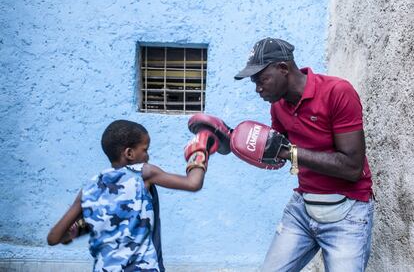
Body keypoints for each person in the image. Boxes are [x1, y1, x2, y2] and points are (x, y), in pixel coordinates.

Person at [234, 38, 374, 272]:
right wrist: (229, 139)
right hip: (303, 207)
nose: (258, 88)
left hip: (348, 211)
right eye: (254, 82)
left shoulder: (337, 92)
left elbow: (352, 167)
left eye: (262, 79)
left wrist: (288, 152)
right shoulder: (278, 105)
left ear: (283, 69)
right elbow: (274, 154)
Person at [47, 119, 219, 272]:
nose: (147, 155)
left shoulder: (90, 188)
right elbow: (193, 183)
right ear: (129, 153)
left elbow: (54, 237)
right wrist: (199, 149)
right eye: (145, 149)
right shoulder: (142, 172)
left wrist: (87, 226)